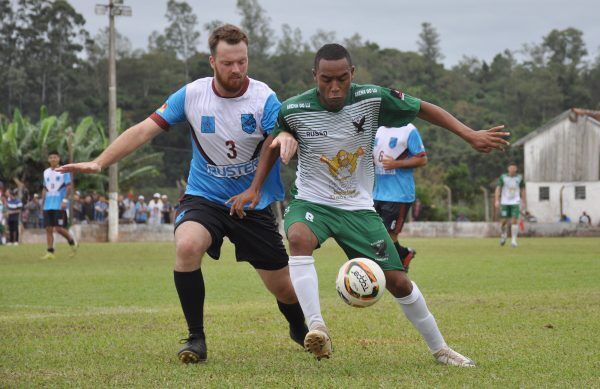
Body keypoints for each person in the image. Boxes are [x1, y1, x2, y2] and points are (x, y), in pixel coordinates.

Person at [229, 44, 509, 366]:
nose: (334, 88)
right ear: (314, 76)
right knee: (298, 238)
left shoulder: (372, 98)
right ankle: (317, 328)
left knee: (399, 281)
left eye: (342, 79)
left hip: (358, 208)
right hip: (312, 202)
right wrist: (255, 187)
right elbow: (273, 141)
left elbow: (422, 108)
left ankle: (441, 349)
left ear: (353, 75)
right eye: (326, 80)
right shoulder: (293, 108)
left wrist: (469, 134)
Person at [57, 24, 307, 364]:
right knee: (188, 245)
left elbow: (275, 142)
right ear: (212, 62)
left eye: (243, 62)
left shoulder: (264, 97)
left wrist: (257, 184)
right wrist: (101, 163)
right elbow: (144, 129)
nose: (237, 70)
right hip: (204, 197)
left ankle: (298, 326)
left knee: (283, 287)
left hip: (253, 202)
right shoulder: (191, 96)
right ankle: (195, 339)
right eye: (228, 63)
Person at [373, 123, 427, 272]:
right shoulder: (377, 128)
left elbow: (422, 159)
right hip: (376, 193)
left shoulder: (409, 130)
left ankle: (386, 267)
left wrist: (396, 163)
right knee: (375, 233)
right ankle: (402, 255)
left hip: (399, 194)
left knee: (388, 234)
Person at [40, 151, 78, 259]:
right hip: (48, 205)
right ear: (48, 159)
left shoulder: (63, 171)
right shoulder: (45, 172)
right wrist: (42, 203)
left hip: (59, 204)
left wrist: (65, 201)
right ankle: (50, 252)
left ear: (59, 158)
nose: (53, 159)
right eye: (51, 157)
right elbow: (45, 188)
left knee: (59, 228)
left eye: (55, 157)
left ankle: (72, 242)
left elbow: (69, 186)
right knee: (48, 228)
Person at [494, 162, 525, 247]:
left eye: (514, 168)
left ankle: (514, 240)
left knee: (514, 220)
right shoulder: (503, 177)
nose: (512, 169)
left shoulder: (519, 178)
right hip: (505, 202)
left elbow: (522, 189)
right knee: (504, 221)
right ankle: (504, 235)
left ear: (516, 169)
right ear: (508, 169)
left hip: (515, 201)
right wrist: (497, 200)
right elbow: (498, 188)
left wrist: (523, 201)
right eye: (510, 168)